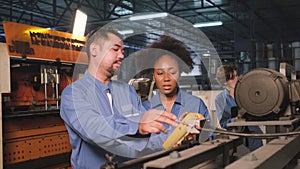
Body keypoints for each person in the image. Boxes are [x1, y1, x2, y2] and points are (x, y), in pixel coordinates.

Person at [59, 27, 177, 169]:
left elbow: (148, 131)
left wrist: (173, 136)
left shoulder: (127, 91)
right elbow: (94, 130)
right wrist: (137, 126)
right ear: (94, 50)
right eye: (115, 49)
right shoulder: (74, 93)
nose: (121, 55)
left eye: (122, 51)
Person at [142, 35, 213, 150]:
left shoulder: (196, 105)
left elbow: (210, 139)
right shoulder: (145, 109)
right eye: (160, 73)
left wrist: (196, 137)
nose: (166, 78)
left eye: (172, 72)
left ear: (180, 73)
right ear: (153, 76)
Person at [215, 64, 263, 151]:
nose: (237, 79)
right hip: (236, 139)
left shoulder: (247, 93)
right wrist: (236, 120)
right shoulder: (220, 99)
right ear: (225, 82)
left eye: (236, 76)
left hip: (254, 136)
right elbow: (223, 123)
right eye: (233, 78)